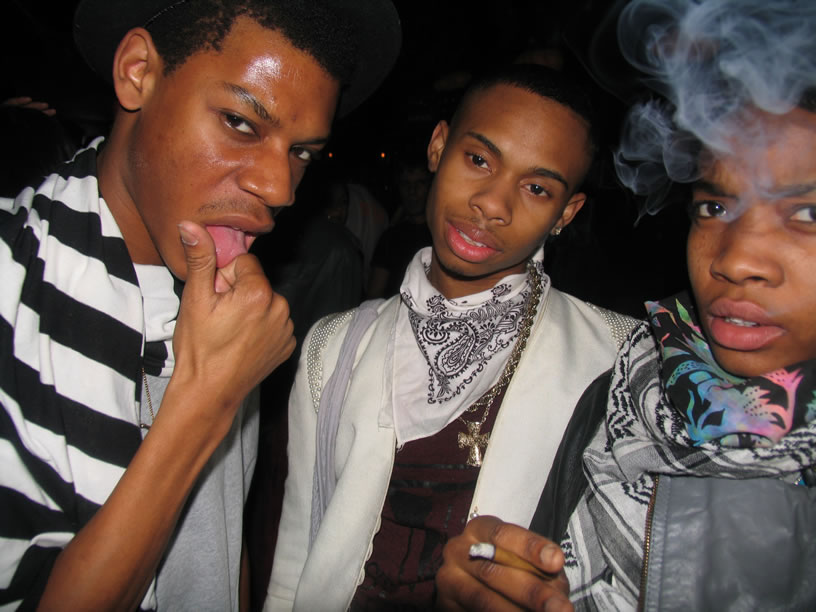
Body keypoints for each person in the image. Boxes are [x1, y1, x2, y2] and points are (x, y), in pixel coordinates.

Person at [0, 0, 400, 609]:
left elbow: (218, 540)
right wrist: (206, 399)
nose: (279, 188)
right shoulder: (11, 276)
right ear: (138, 72)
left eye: (302, 153)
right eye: (242, 123)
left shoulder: (233, 305)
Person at [435, 1, 816, 610]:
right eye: (715, 208)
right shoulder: (625, 386)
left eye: (806, 214)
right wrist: (498, 584)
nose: (736, 259)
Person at [265, 63, 637, 611]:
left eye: (536, 187)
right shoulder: (336, 346)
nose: (493, 203)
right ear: (438, 147)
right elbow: (296, 560)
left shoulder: (620, 361)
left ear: (566, 213)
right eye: (479, 159)